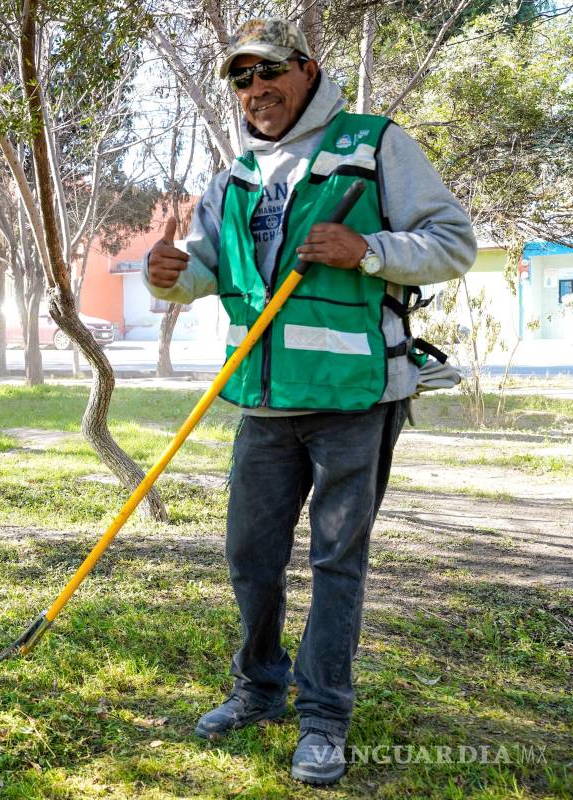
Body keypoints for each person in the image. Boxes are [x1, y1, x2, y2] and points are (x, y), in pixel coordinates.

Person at [144, 18, 475, 785]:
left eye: (269, 71)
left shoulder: (373, 145)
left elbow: (454, 241)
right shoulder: (234, 176)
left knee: (336, 562)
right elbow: (207, 271)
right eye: (241, 78)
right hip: (263, 402)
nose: (255, 89)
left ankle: (323, 718)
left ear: (307, 68)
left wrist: (370, 252)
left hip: (353, 399)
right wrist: (170, 273)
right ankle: (259, 687)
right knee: (249, 556)